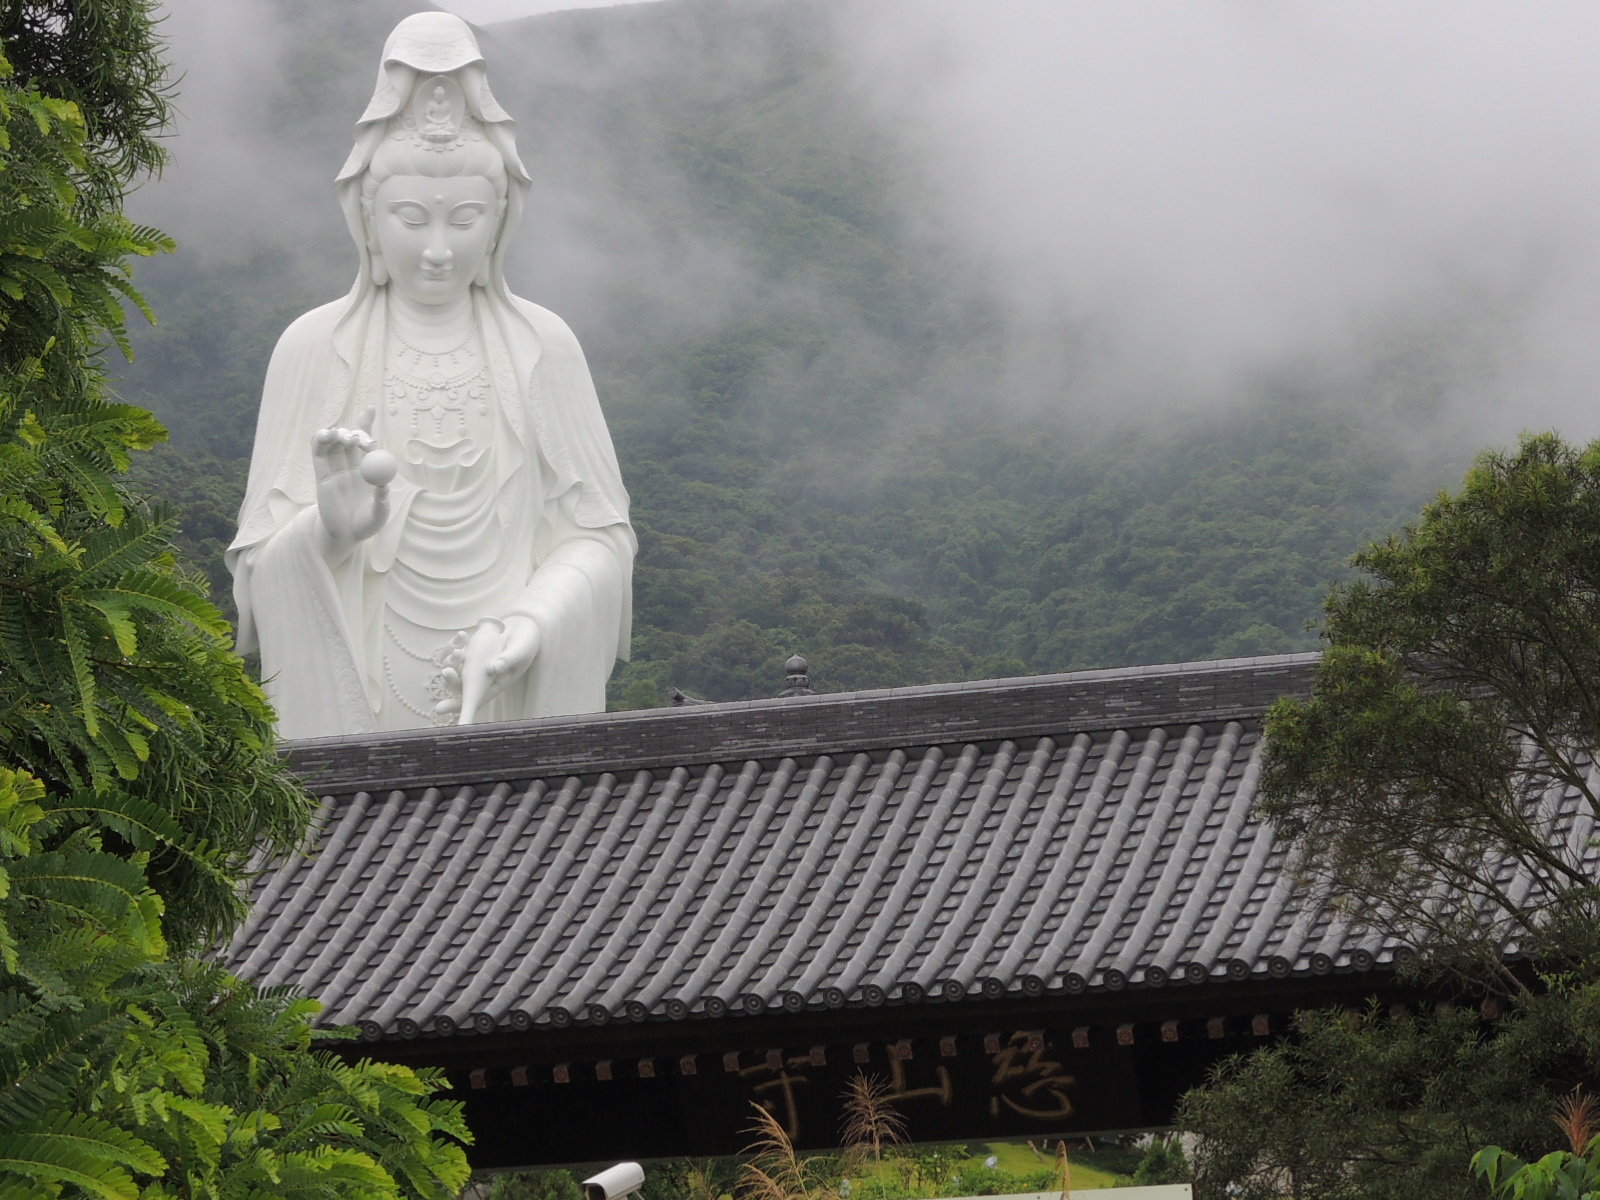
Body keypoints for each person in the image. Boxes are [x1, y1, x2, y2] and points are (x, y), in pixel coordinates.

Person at [228, 13, 634, 739]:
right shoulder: (313, 348)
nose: (439, 250)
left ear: (500, 219)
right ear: (368, 219)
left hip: (505, 685)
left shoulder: (543, 346)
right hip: (356, 702)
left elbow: (599, 541)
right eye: (413, 219)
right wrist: (327, 531)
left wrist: (530, 624)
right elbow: (262, 565)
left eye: (465, 218)